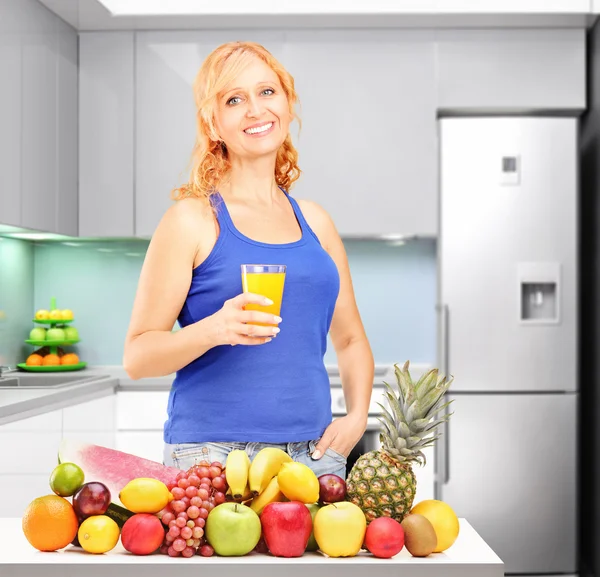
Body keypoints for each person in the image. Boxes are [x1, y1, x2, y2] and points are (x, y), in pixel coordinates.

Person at [123, 41, 374, 480]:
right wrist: (215, 329)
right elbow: (138, 356)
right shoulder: (191, 221)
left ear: (287, 103)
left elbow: (350, 339)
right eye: (234, 99)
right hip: (209, 456)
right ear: (213, 123)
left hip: (313, 455)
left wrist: (356, 418)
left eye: (267, 92)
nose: (256, 109)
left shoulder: (316, 222)